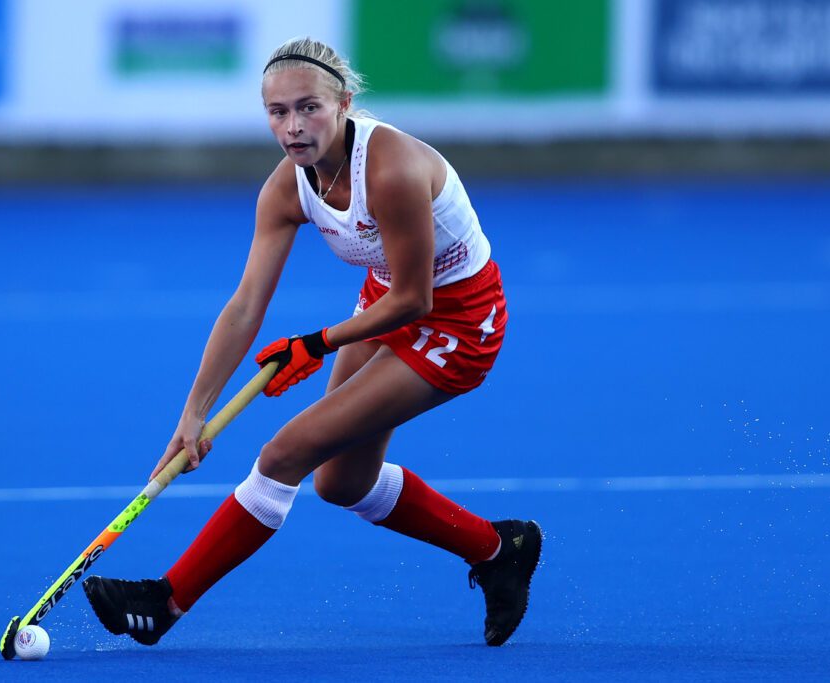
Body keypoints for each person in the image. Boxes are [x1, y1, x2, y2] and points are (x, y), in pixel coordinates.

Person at [82, 37, 542, 648]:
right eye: (278, 112)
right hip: (384, 304)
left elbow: (416, 299)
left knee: (284, 454)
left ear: (344, 104)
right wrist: (192, 416)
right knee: (341, 483)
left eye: (309, 108)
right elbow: (246, 305)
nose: (293, 127)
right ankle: (498, 548)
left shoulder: (393, 168)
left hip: (458, 324)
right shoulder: (286, 188)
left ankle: (166, 601)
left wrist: (315, 344)